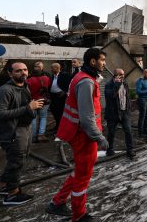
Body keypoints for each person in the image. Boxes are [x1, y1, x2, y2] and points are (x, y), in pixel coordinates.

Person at [46, 48, 109, 221]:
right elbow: (87, 118)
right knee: (83, 176)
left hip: (80, 133)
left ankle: (57, 202)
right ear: (93, 62)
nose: (104, 63)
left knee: (79, 170)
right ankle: (79, 214)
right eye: (102, 60)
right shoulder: (86, 82)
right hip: (84, 136)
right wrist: (100, 138)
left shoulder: (83, 77)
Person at [0, 62, 43, 205]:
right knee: (16, 161)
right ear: (10, 74)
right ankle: (12, 194)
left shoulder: (24, 86)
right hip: (13, 131)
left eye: (25, 70)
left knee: (19, 158)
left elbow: (23, 107)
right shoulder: (4, 90)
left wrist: (33, 106)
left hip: (25, 128)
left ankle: (2, 186)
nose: (23, 73)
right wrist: (28, 108)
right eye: (18, 71)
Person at [104, 68, 135, 159]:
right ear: (115, 75)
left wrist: (128, 108)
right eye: (121, 74)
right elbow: (111, 96)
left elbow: (127, 97)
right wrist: (117, 85)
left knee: (128, 131)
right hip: (112, 113)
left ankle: (130, 150)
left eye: (123, 74)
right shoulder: (108, 85)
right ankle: (110, 150)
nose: (123, 76)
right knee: (111, 132)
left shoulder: (125, 84)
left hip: (124, 112)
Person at [27, 61, 51, 143]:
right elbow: (48, 88)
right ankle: (41, 135)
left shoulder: (29, 80)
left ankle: (33, 136)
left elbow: (27, 92)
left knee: (33, 118)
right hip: (44, 101)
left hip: (33, 102)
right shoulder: (46, 78)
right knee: (43, 117)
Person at [49, 63, 71, 134]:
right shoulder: (52, 76)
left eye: (52, 68)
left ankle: (60, 128)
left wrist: (65, 92)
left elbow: (70, 84)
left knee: (60, 113)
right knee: (54, 112)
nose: (51, 69)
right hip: (53, 96)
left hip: (61, 97)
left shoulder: (65, 75)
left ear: (56, 68)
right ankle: (57, 126)